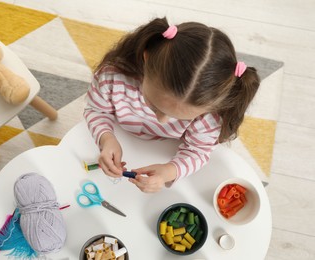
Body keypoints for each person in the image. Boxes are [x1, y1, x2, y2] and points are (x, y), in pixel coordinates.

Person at [83, 17, 260, 193]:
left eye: (178, 118)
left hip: (162, 153)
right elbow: (96, 109)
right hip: (118, 138)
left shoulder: (211, 115)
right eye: (153, 105)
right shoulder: (113, 76)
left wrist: (169, 171)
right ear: (146, 58)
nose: (161, 120)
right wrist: (106, 138)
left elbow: (197, 151)